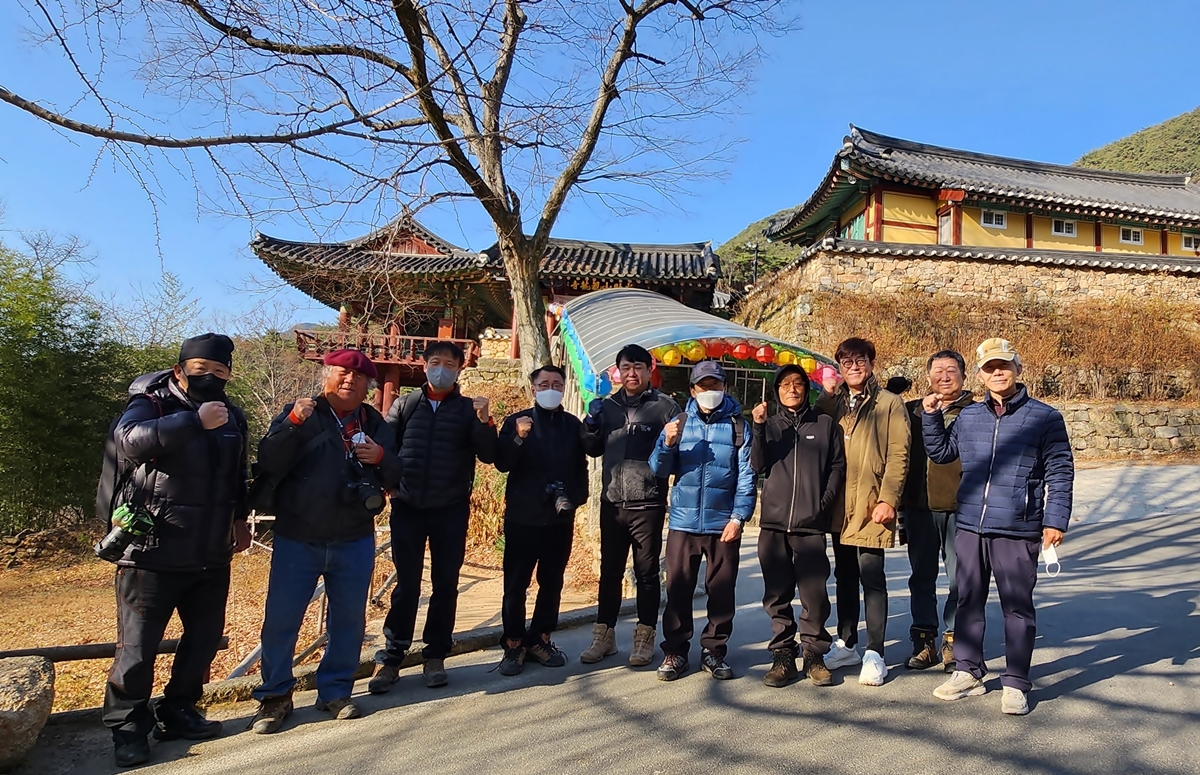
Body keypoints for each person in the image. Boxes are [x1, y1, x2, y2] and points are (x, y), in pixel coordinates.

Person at [102, 333, 250, 768]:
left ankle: (179, 708)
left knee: (204, 638)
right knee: (138, 648)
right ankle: (128, 728)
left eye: (219, 371)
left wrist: (239, 520)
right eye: (201, 369)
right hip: (151, 551)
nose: (210, 377)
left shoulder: (232, 415)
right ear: (180, 370)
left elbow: (237, 473)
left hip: (210, 551)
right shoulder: (151, 403)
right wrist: (193, 422)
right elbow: (128, 442)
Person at [250, 349, 402, 733]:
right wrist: (292, 423)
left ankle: (335, 691)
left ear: (368, 385)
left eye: (358, 376)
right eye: (342, 373)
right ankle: (274, 697)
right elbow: (268, 459)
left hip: (353, 536)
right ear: (326, 377)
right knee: (282, 619)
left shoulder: (374, 422)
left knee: (348, 620)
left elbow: (397, 472)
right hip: (297, 535)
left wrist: (380, 457)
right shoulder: (301, 412)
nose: (349, 380)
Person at [924, 338, 1074, 716]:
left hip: (1017, 527)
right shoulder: (969, 416)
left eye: (1003, 365)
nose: (997, 373)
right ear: (980, 374)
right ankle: (968, 672)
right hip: (970, 524)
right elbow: (942, 453)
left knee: (1017, 609)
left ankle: (1016, 682)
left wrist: (1055, 520)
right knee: (967, 601)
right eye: (989, 367)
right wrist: (931, 418)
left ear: (1017, 369)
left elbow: (1060, 471)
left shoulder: (1044, 417)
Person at [371, 342, 497, 692]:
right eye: (436, 362)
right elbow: (387, 448)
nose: (442, 369)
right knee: (407, 585)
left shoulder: (468, 409)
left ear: (459, 370)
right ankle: (392, 657)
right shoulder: (405, 404)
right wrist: (389, 485)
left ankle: (435, 655)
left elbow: (489, 455)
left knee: (445, 584)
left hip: (450, 509)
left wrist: (485, 422)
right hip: (408, 507)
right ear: (425, 366)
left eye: (449, 365)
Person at [649, 361, 755, 681]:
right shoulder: (678, 423)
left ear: (725, 388)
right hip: (683, 523)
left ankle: (714, 650)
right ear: (693, 390)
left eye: (715, 385)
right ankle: (675, 651)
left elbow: (747, 476)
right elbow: (658, 469)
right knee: (678, 590)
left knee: (721, 592)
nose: (710, 391)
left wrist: (738, 517)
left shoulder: (738, 426)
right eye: (704, 386)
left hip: (723, 524)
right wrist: (667, 443)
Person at [580, 344, 681, 667]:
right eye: (626, 367)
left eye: (638, 367)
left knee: (646, 573)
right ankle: (604, 635)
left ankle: (644, 635)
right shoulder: (607, 406)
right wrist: (590, 423)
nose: (632, 373)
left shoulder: (665, 407)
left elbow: (677, 455)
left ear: (649, 370)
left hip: (648, 504)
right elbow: (592, 448)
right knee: (609, 572)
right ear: (618, 371)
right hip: (612, 502)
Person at [817, 337, 911, 687]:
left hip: (872, 502)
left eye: (861, 361)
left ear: (871, 364)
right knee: (843, 575)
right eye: (847, 362)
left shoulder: (888, 403)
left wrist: (889, 499)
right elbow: (816, 430)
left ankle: (875, 652)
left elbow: (899, 455)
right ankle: (847, 643)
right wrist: (826, 396)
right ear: (839, 367)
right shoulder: (836, 402)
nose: (854, 367)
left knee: (871, 576)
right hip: (839, 504)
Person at [751, 364, 846, 688]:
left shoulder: (824, 424)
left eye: (798, 383)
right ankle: (783, 656)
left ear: (806, 388)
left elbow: (837, 466)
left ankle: (814, 655)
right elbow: (758, 464)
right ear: (776, 391)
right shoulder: (770, 425)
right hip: (774, 525)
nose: (792, 389)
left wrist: (822, 504)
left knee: (814, 595)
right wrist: (758, 427)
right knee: (776, 595)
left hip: (810, 526)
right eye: (785, 385)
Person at [494, 365, 588, 676]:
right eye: (544, 384)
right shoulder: (517, 421)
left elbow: (581, 467)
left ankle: (540, 639)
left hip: (559, 520)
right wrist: (518, 438)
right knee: (515, 584)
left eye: (557, 384)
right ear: (533, 388)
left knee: (552, 582)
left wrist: (575, 499)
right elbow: (502, 463)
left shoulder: (572, 425)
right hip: (522, 518)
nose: (551, 389)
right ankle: (514, 643)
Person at [900, 350, 974, 671]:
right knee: (921, 576)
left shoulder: (975, 412)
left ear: (964, 376)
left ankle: (954, 639)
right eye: (938, 370)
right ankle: (923, 640)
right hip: (919, 506)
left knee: (960, 577)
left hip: (961, 508)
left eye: (951, 370)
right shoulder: (911, 411)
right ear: (928, 376)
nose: (944, 376)